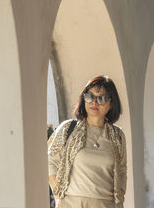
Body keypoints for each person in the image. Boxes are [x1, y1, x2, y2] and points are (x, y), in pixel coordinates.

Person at [47, 75, 127, 208]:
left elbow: (122, 169)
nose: (94, 102)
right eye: (89, 96)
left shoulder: (117, 136)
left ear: (111, 103)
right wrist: (59, 196)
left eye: (101, 98)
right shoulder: (68, 129)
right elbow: (50, 161)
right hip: (73, 203)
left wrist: (121, 195)